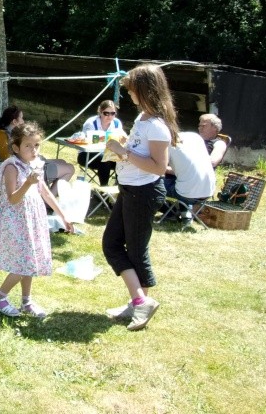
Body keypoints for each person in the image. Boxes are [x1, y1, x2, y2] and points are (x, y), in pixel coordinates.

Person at [103, 64, 177, 331]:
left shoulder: (157, 126)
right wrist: (124, 143)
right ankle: (139, 302)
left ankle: (140, 302)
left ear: (144, 90)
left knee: (133, 250)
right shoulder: (143, 118)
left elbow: (159, 167)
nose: (129, 94)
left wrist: (123, 152)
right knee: (113, 244)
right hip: (130, 189)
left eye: (132, 89)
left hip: (143, 192)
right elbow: (139, 151)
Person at [0, 121, 73, 318]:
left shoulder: (35, 164)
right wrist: (27, 183)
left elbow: (45, 192)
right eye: (28, 146)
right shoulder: (11, 167)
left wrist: (63, 216)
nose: (33, 150)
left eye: (37, 145)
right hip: (15, 220)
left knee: (31, 259)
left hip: (33, 219)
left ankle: (26, 301)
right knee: (23, 262)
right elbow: (13, 198)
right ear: (16, 147)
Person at [0, 105, 75, 193]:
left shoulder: (3, 131)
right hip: (33, 166)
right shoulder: (17, 137)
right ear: (14, 121)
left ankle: (49, 194)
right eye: (21, 118)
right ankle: (49, 199)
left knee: (62, 161)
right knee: (70, 168)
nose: (23, 121)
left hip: (33, 162)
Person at [163, 131, 216, 220]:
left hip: (187, 195)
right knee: (183, 181)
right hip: (208, 193)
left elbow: (158, 168)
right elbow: (184, 169)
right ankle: (185, 214)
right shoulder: (195, 137)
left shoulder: (164, 142)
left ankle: (169, 211)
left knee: (149, 184)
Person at [79, 100, 125, 185]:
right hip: (87, 155)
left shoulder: (117, 123)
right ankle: (104, 190)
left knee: (123, 158)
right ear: (100, 112)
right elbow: (87, 141)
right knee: (104, 158)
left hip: (109, 155)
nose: (110, 116)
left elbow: (122, 138)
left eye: (113, 113)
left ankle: (119, 188)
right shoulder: (91, 123)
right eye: (106, 113)